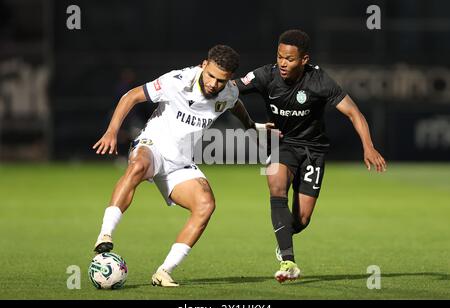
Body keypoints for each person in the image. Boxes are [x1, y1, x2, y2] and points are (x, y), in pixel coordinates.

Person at [92, 45, 267, 287]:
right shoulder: (176, 81)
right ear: (203, 65)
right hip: (153, 146)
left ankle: (164, 271)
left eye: (221, 80)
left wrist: (249, 125)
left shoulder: (228, 92)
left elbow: (235, 105)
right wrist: (112, 131)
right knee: (138, 166)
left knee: (206, 205)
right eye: (211, 76)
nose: (214, 84)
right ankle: (105, 233)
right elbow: (131, 96)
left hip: (180, 162)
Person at [235, 29, 387, 283]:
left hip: (312, 150)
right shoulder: (265, 75)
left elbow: (354, 113)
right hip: (280, 143)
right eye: (280, 56)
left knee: (302, 219)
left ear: (304, 60)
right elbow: (231, 88)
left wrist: (368, 146)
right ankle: (288, 260)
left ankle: (284, 236)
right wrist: (206, 82)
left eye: (290, 59)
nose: (283, 63)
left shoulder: (320, 81)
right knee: (277, 186)